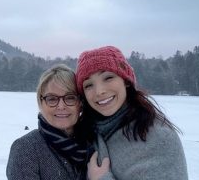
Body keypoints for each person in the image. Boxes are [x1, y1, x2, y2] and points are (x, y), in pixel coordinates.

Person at [76, 46, 188, 180]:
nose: (99, 91)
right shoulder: (84, 134)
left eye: (108, 78)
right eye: (88, 85)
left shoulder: (159, 138)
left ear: (126, 81)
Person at [7, 64, 90, 180]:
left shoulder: (94, 143)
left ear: (80, 103)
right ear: (41, 104)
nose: (61, 106)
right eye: (52, 99)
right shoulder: (26, 149)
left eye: (70, 97)